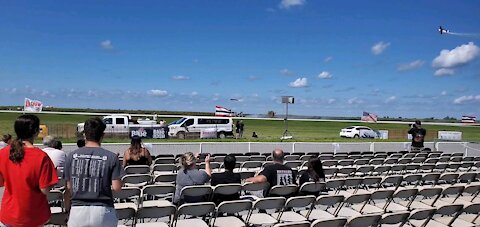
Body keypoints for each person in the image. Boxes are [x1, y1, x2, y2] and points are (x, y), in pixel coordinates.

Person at [63, 117, 125, 227]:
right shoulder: (111, 157)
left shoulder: (71, 156)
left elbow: (68, 187)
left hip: (78, 209)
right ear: (102, 135)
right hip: (103, 209)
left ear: (84, 135)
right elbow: (117, 188)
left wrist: (67, 209)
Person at [0, 114, 58, 227]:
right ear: (36, 132)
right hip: (33, 215)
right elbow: (45, 190)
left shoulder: (3, 153)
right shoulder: (41, 157)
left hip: (9, 213)